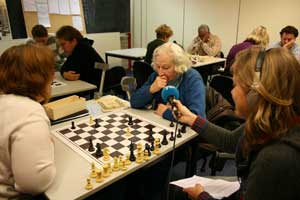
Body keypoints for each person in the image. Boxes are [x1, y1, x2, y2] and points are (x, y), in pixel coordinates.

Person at [173, 46, 300, 200]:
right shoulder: (273, 121)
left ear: (255, 94)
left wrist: (202, 196)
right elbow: (231, 141)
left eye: (235, 85)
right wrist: (192, 118)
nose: (232, 92)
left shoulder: (274, 158)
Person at [0, 44, 56, 198]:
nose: (54, 76)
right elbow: (35, 183)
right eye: (51, 71)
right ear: (39, 77)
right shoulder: (29, 112)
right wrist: (50, 146)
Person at [130, 42, 206, 121]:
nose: (160, 72)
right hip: (161, 125)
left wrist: (166, 112)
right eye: (158, 66)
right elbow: (134, 102)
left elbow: (197, 118)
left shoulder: (192, 79)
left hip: (186, 131)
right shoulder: (156, 76)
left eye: (165, 67)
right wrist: (151, 89)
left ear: (178, 65)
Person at [56, 25, 126, 93]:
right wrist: (65, 73)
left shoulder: (82, 48)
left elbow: (74, 73)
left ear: (73, 41)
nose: (62, 48)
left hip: (101, 82)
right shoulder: (79, 47)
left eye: (63, 44)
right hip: (99, 78)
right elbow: (64, 67)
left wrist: (64, 73)